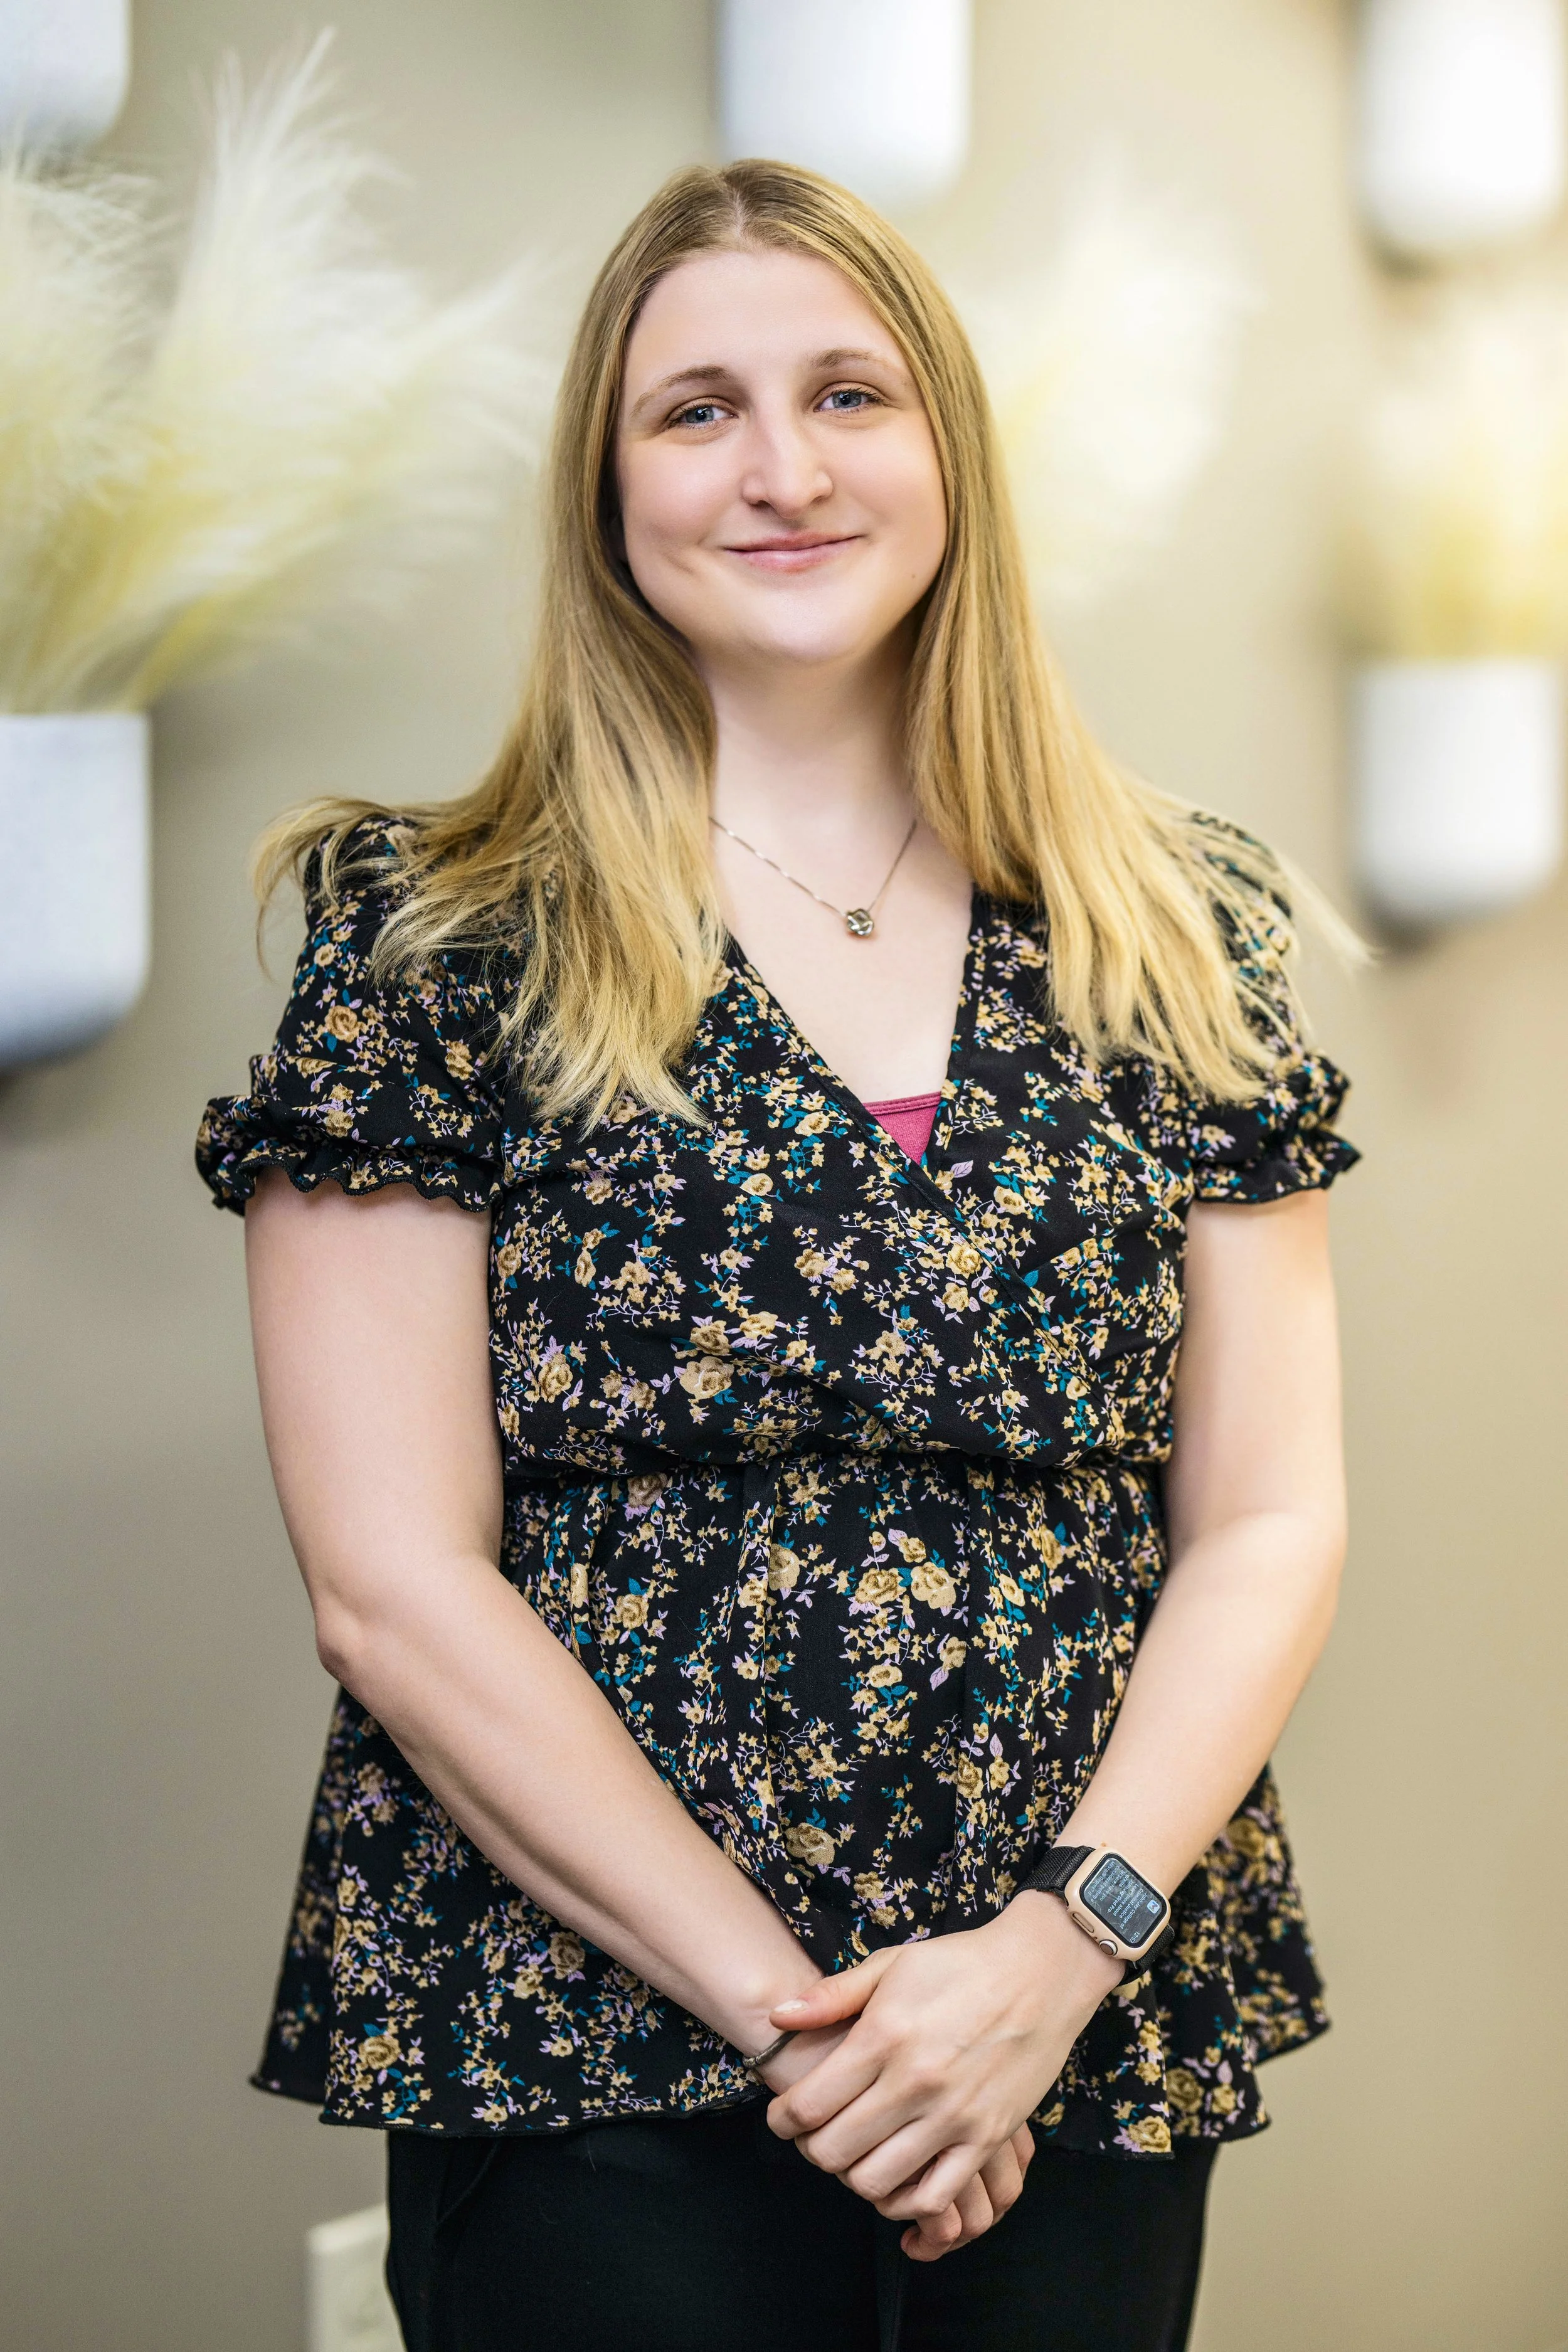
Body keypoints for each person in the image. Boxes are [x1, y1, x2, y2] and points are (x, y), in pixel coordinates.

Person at [197, 159, 1359, 2352]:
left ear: (950, 456)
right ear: (607, 486)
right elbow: (392, 1579)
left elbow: (1271, 1511)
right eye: (697, 410)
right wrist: (813, 2028)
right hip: (589, 2029)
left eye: (849, 392)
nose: (786, 468)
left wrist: (1055, 1948)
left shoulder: (1178, 925)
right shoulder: (437, 937)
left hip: (1079, 2014)